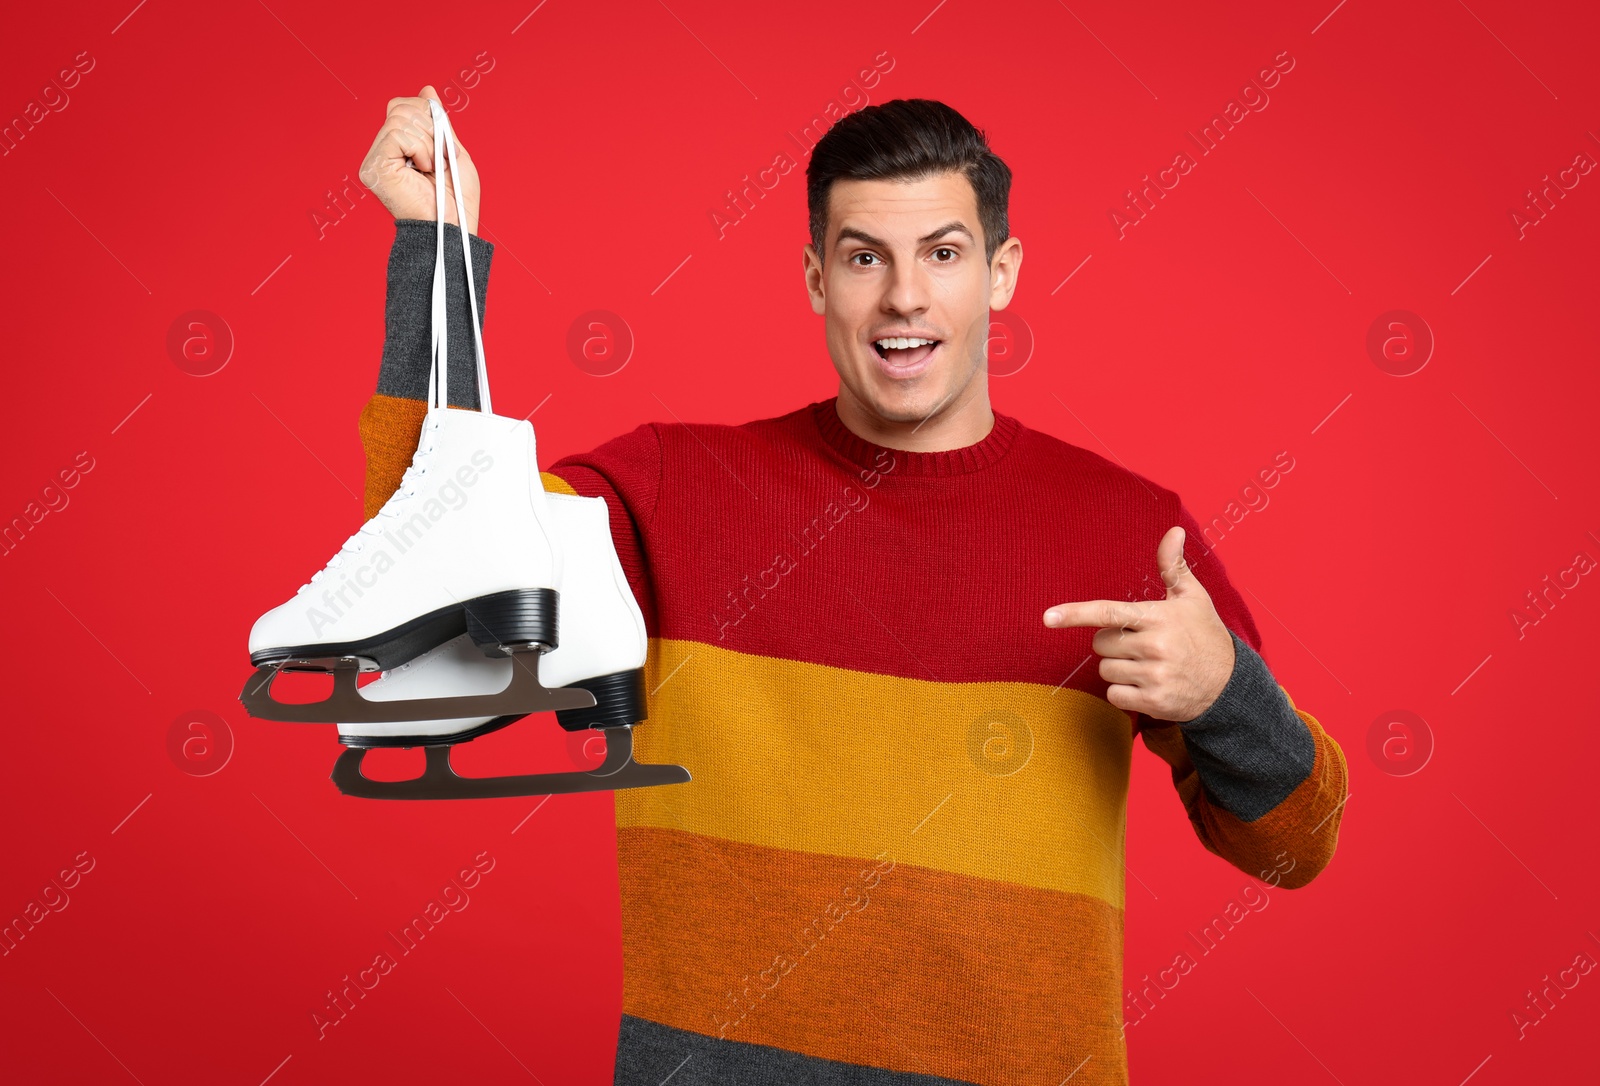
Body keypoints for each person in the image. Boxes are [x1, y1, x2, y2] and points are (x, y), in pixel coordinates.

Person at [355, 85, 1348, 1086]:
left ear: (1001, 274)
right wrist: (436, 257)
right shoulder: (669, 493)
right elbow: (422, 600)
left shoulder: (1130, 532)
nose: (904, 297)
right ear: (815, 278)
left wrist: (1230, 696)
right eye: (864, 255)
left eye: (944, 254)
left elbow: (1293, 849)